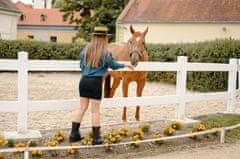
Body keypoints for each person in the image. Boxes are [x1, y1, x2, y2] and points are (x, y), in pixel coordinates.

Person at [69, 26, 134, 145]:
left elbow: (81, 65)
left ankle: (73, 135)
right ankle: (96, 138)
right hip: (95, 82)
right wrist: (125, 65)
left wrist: (88, 70)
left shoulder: (86, 49)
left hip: (83, 80)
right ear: (105, 38)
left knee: (82, 108)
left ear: (94, 36)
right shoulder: (105, 52)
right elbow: (113, 65)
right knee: (95, 111)